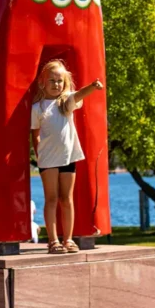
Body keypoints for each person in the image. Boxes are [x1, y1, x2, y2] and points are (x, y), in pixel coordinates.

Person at [30, 59, 104, 254]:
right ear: (42, 82)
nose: (56, 84)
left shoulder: (66, 103)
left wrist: (92, 87)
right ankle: (53, 240)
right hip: (48, 160)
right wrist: (39, 153)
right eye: (52, 80)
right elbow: (35, 133)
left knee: (66, 198)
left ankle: (68, 239)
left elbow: (79, 94)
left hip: (67, 158)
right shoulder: (37, 108)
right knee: (51, 199)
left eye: (60, 81)